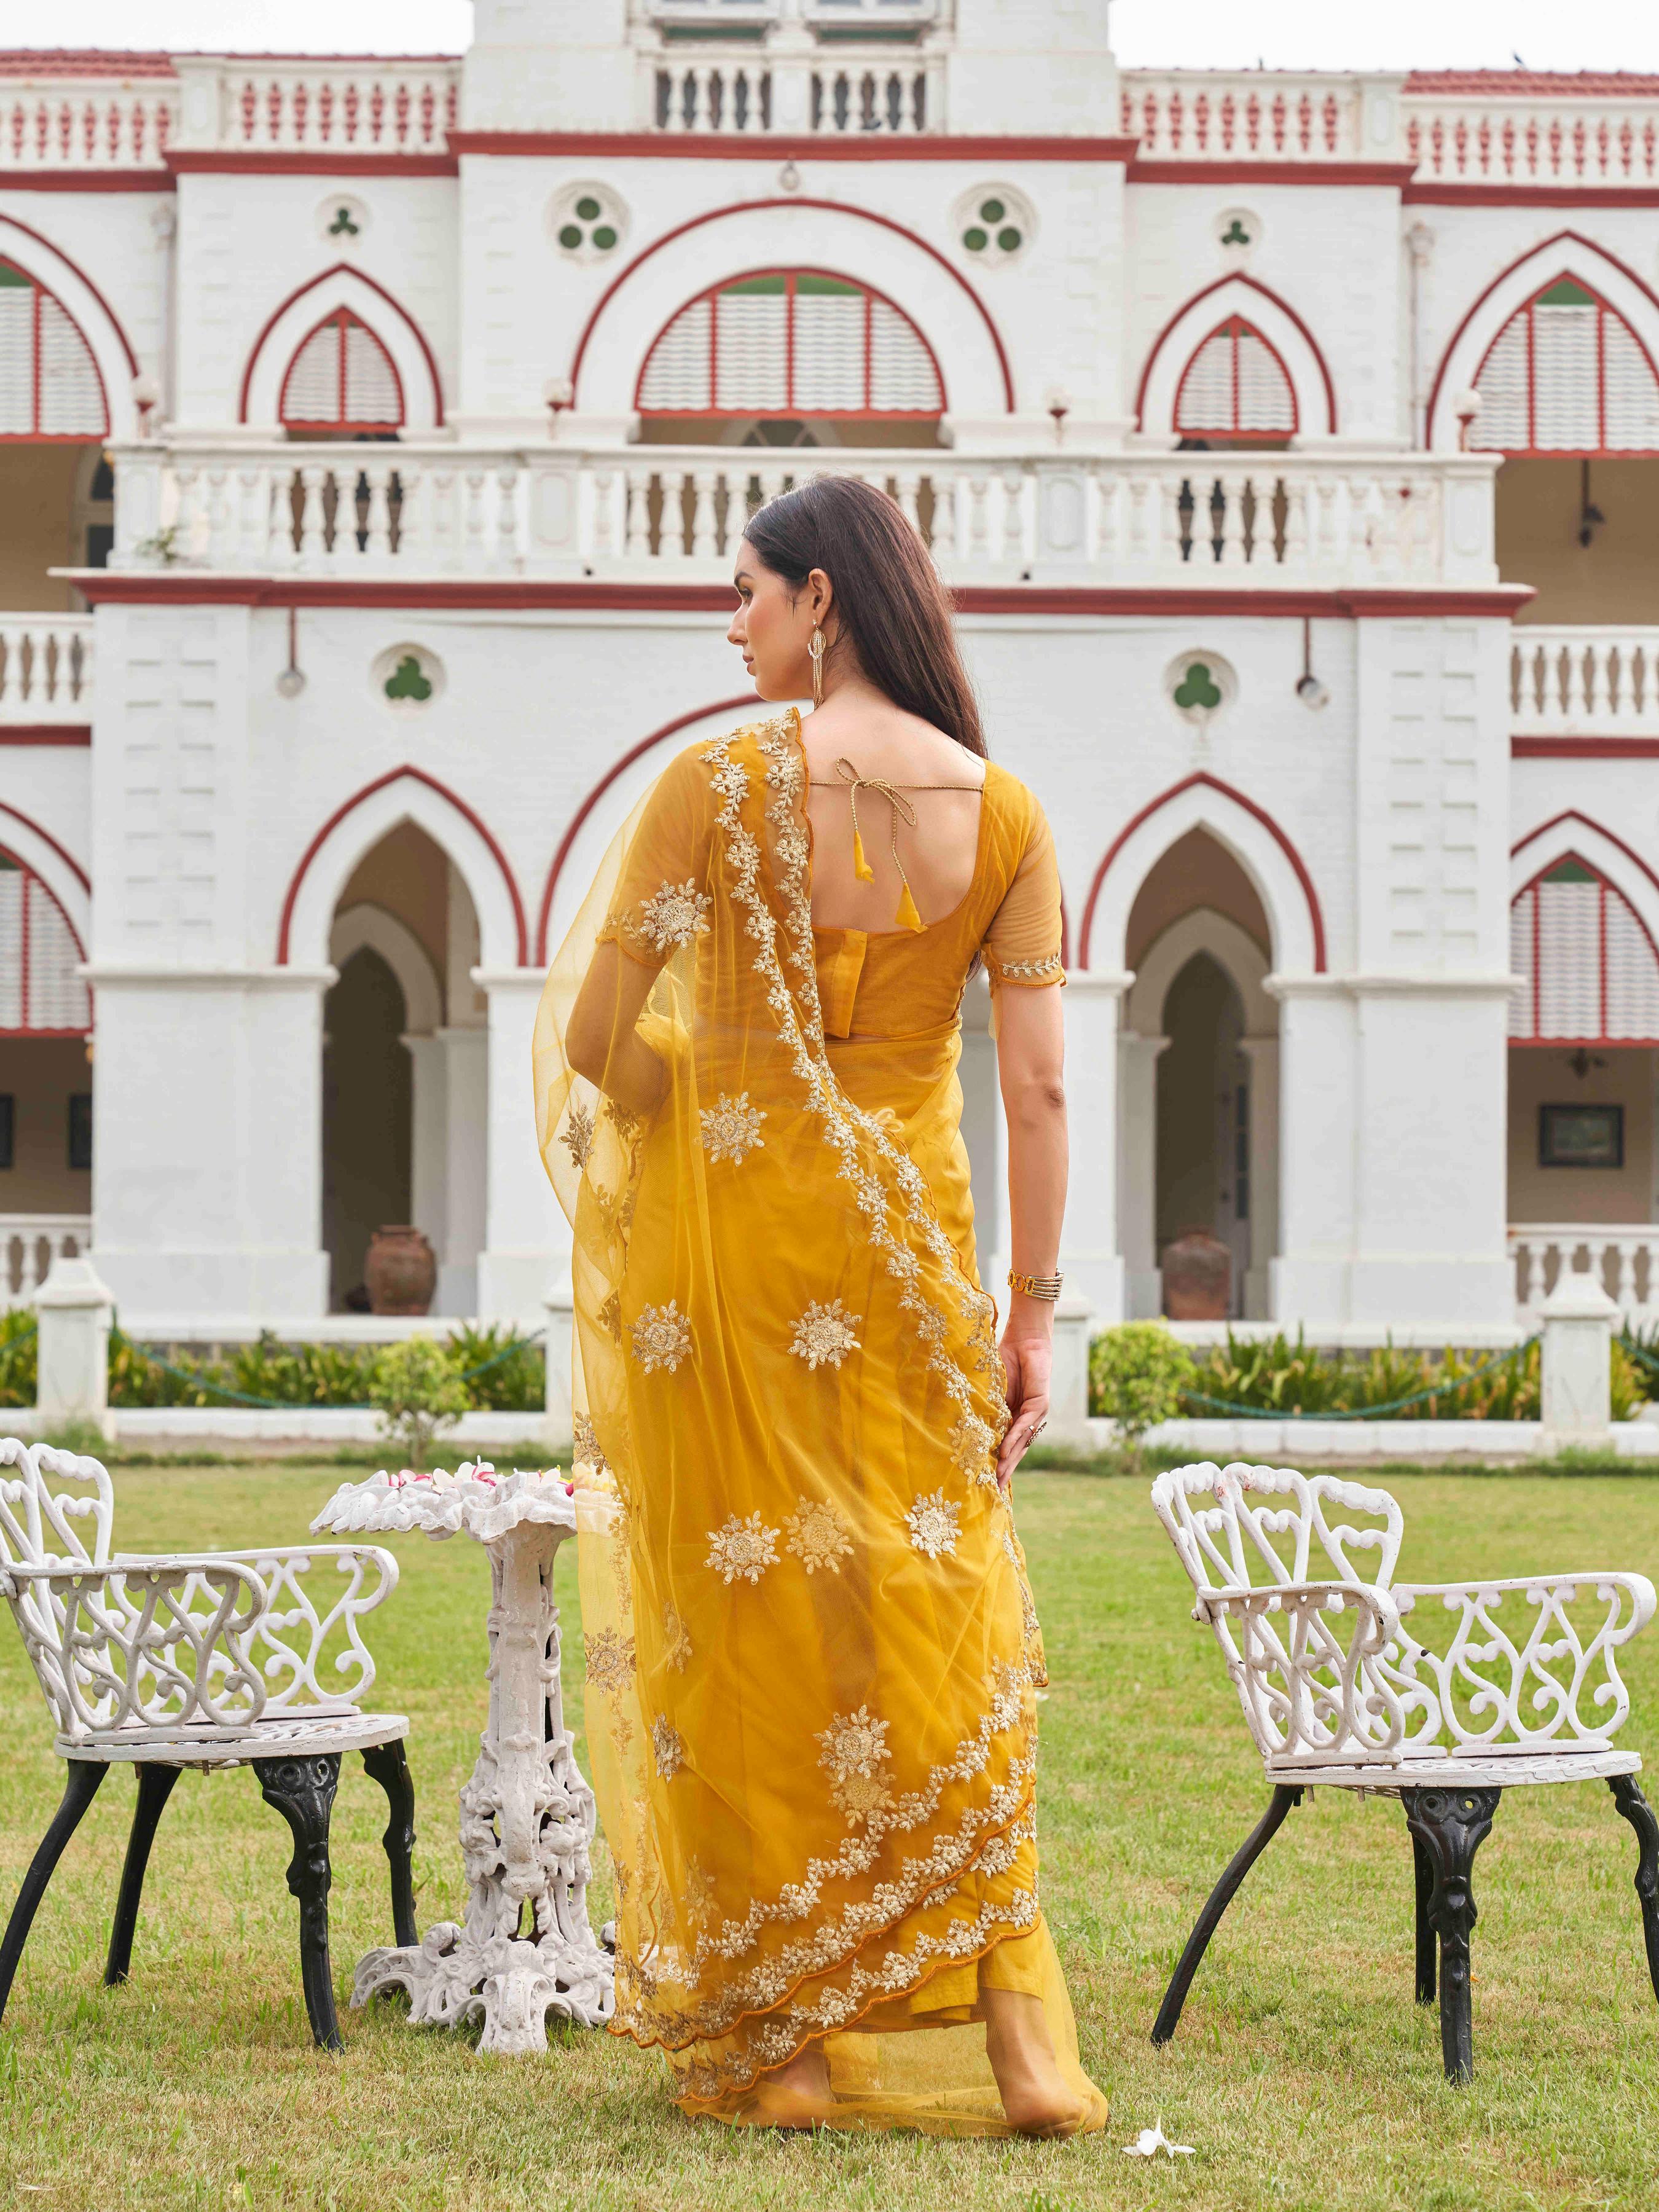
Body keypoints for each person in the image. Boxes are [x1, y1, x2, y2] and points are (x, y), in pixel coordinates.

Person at [533, 475, 1107, 2138]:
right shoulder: (1003, 814)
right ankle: (1017, 2042)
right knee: (934, 1606)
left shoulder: (710, 785)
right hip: (913, 1269)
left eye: (746, 594)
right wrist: (1030, 1311)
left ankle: (787, 2049)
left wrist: (723, 1097)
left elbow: (591, 1042)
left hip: (735, 1272)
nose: (730, 625)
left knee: (749, 1617)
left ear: (820, 601)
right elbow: (1042, 1093)